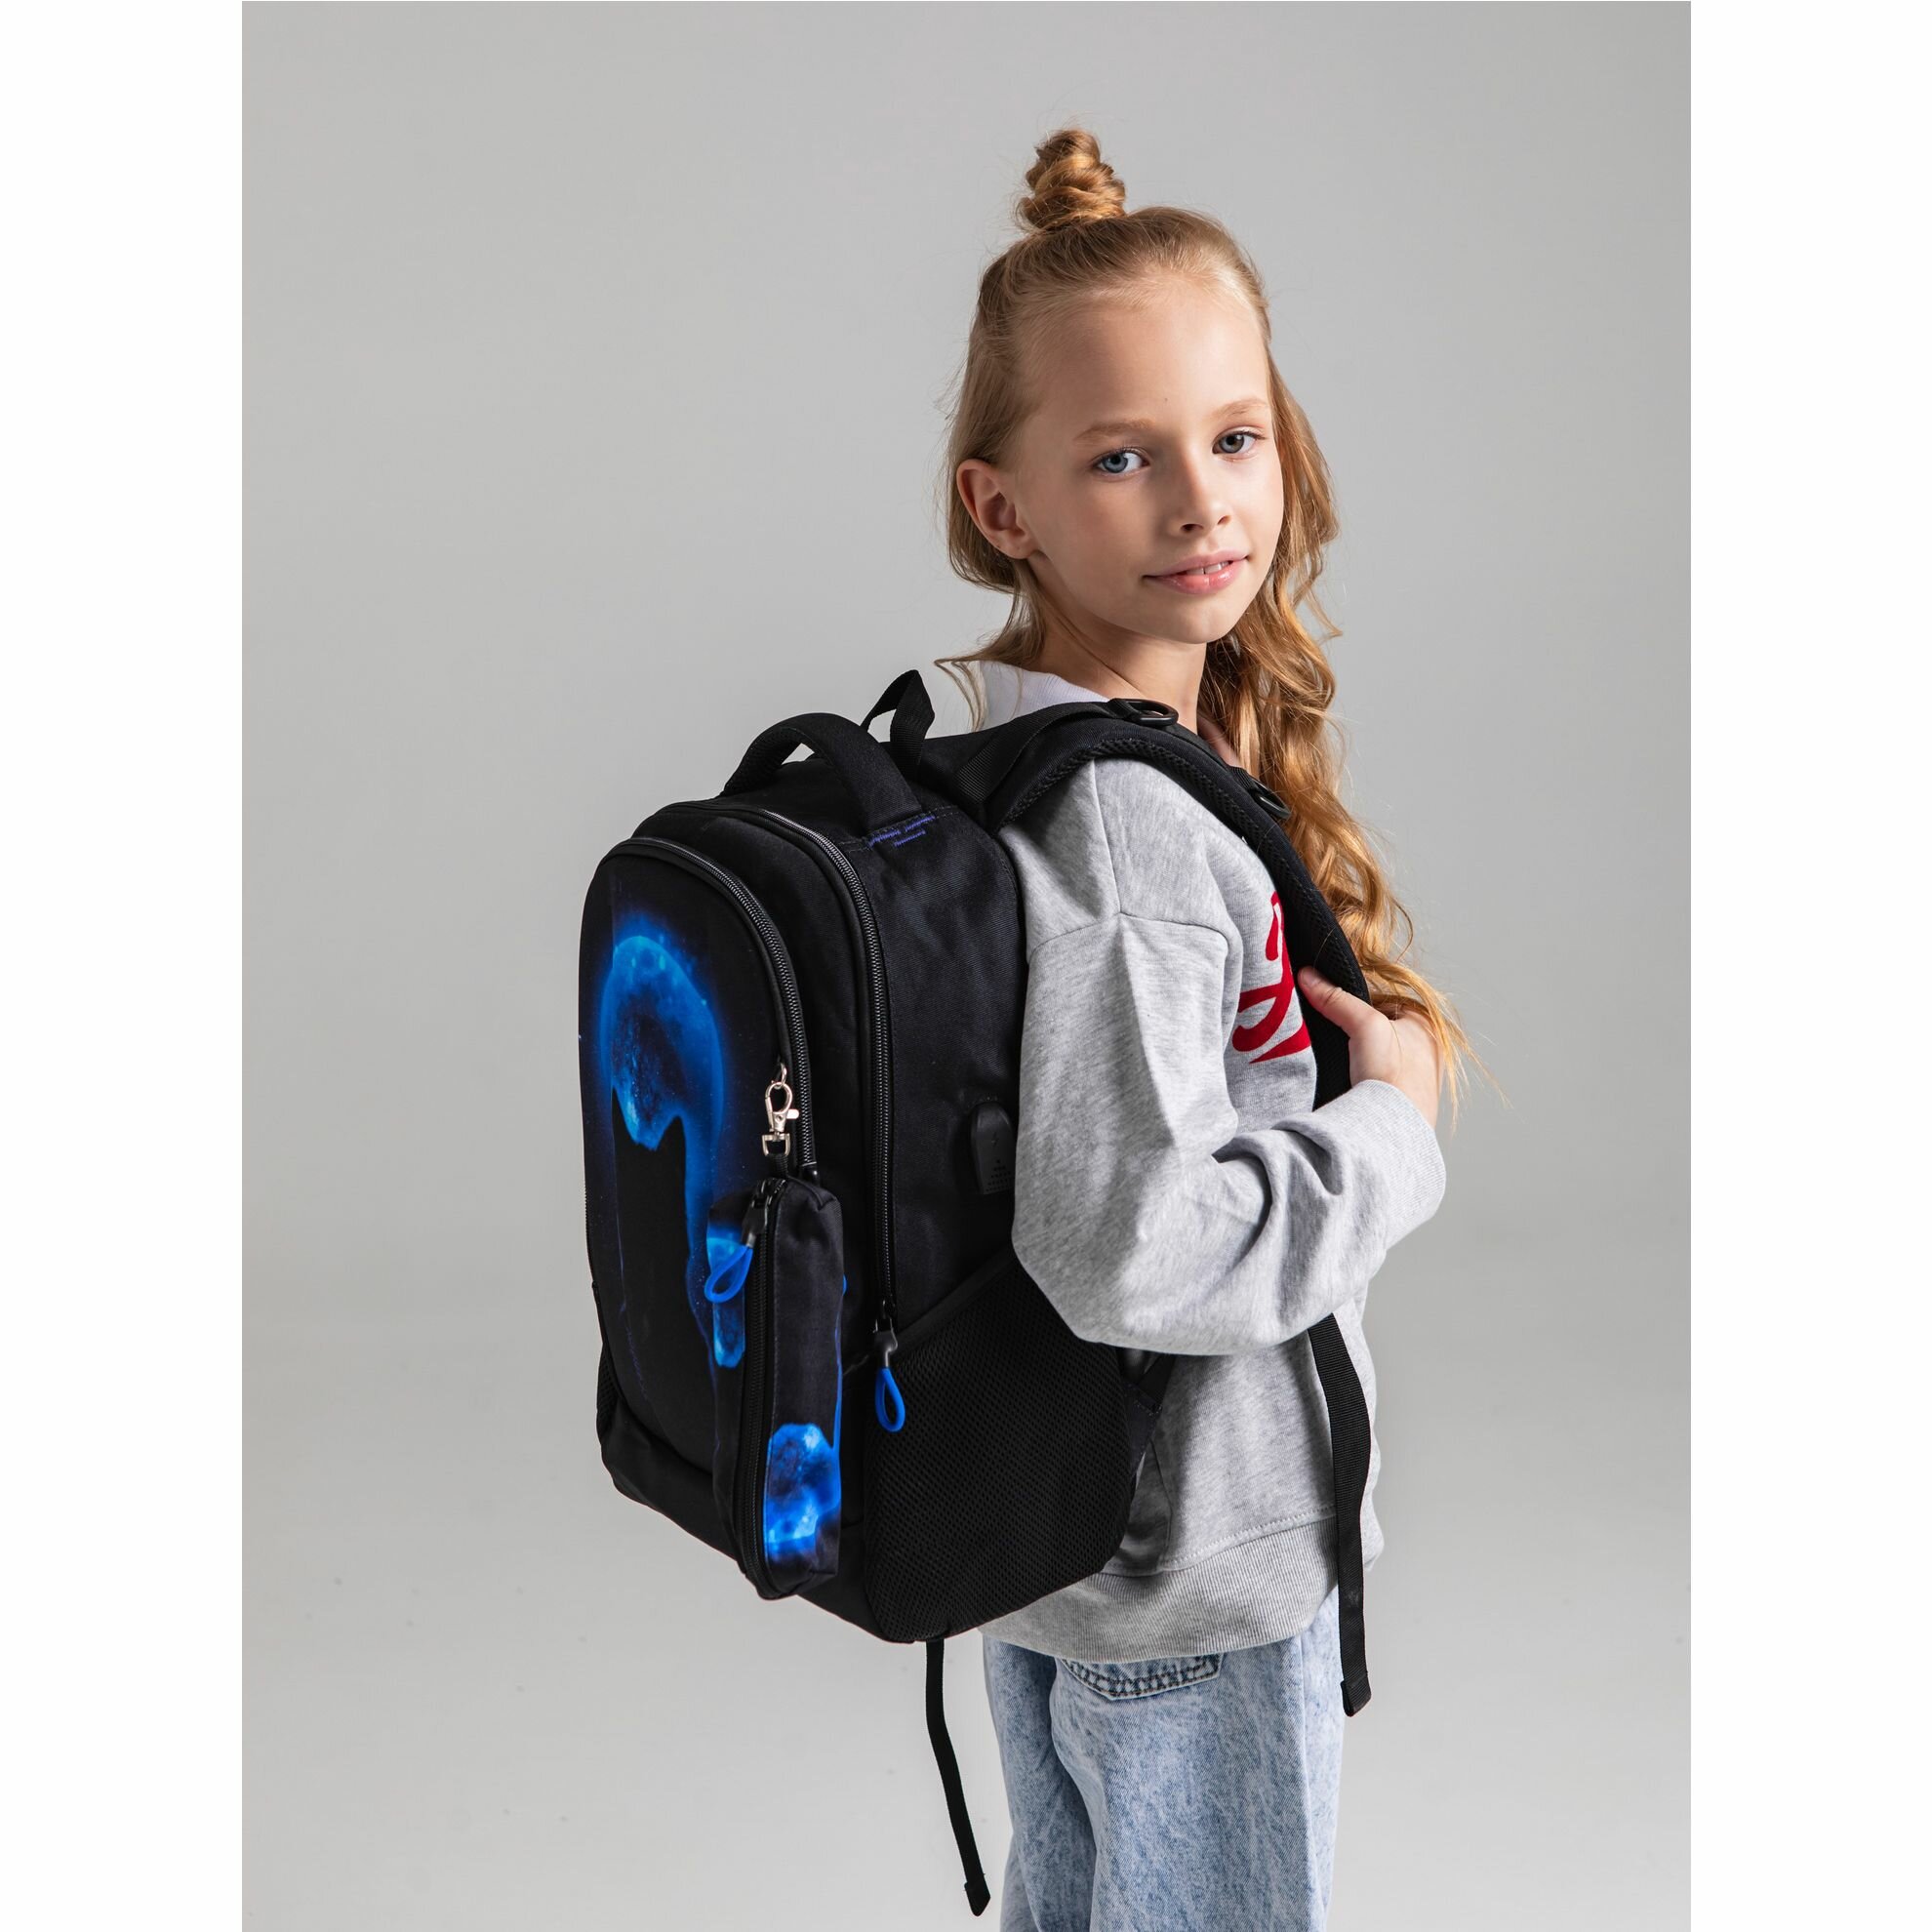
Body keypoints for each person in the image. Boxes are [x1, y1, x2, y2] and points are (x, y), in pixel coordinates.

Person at [933, 128, 1485, 1931]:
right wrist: (1389, 1134)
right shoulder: (1133, 830)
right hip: (1196, 1574)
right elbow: (1126, 1245)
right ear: (1002, 508)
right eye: (1123, 457)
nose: (1200, 503)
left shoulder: (998, 740)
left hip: (1065, 1547)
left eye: (1233, 438)